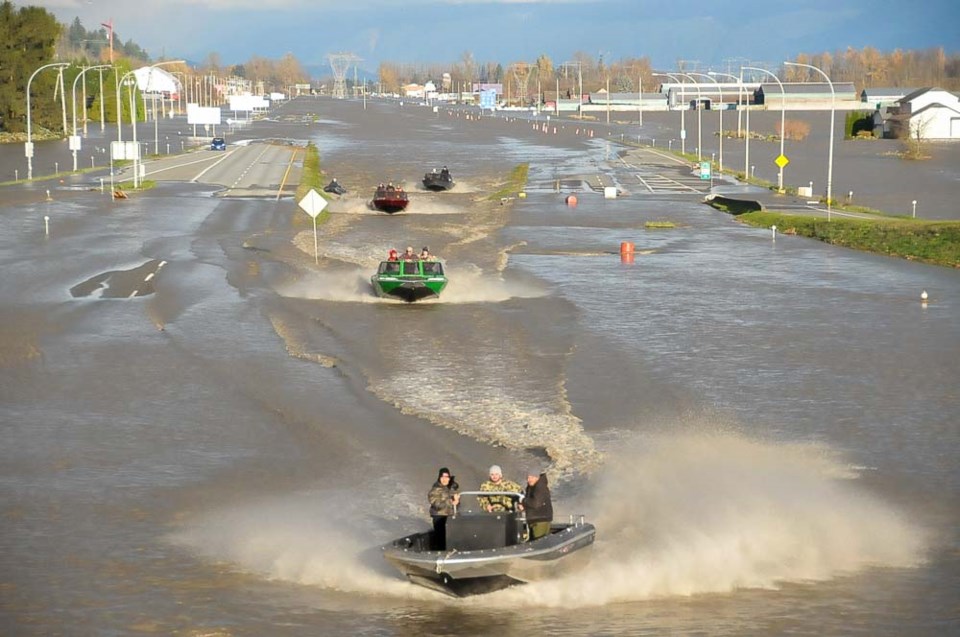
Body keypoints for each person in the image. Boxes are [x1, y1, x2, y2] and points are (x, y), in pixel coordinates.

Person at [428, 467, 460, 550]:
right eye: (443, 477)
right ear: (439, 478)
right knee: (441, 537)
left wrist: (457, 501)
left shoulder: (452, 489)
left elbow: (457, 504)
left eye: (447, 477)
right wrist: (451, 502)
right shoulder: (434, 490)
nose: (444, 479)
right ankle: (440, 551)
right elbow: (436, 504)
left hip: (451, 516)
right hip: (439, 517)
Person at [521, 468, 553, 541]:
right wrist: (524, 506)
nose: (529, 479)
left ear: (537, 477)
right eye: (528, 477)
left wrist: (523, 501)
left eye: (532, 477)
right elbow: (531, 502)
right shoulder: (531, 487)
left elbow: (536, 503)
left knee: (540, 542)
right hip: (534, 519)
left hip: (540, 520)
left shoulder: (540, 487)